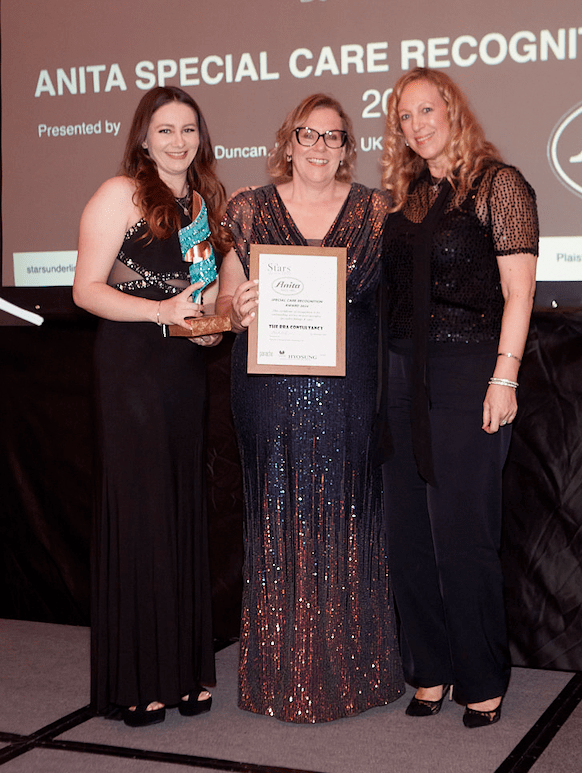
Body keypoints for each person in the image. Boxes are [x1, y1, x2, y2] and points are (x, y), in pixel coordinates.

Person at [217, 93, 404, 723]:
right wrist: (235, 310)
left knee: (347, 518)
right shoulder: (248, 208)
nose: (320, 147)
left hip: (351, 390)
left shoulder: (376, 210)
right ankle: (280, 676)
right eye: (308, 134)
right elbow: (224, 300)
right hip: (266, 391)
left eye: (333, 136)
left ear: (347, 146)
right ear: (288, 141)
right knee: (277, 516)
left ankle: (356, 673)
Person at [379, 68, 539, 728]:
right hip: (399, 375)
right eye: (404, 116)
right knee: (407, 535)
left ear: (452, 110)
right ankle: (430, 667)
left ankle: (481, 677)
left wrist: (505, 376)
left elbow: (519, 292)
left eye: (426, 110)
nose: (416, 125)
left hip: (468, 370)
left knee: (463, 534)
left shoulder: (499, 184)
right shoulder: (405, 197)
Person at [73, 86, 232, 727]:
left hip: (182, 372)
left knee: (179, 508)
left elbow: (204, 294)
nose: (178, 141)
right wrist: (160, 311)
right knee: (142, 513)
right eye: (165, 130)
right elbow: (86, 290)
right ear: (144, 138)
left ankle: (182, 671)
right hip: (131, 368)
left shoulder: (201, 203)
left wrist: (213, 328)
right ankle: (139, 680)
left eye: (188, 129)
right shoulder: (121, 194)